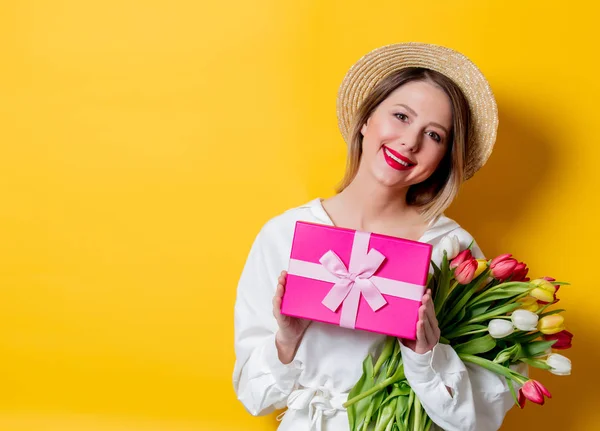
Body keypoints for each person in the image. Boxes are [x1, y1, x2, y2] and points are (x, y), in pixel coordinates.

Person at [233, 42, 523, 431]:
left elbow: (480, 418)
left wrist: (426, 353)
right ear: (366, 119)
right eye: (401, 116)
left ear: (443, 157)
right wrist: (286, 341)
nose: (409, 141)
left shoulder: (451, 250)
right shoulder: (285, 234)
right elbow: (255, 399)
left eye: (434, 135)